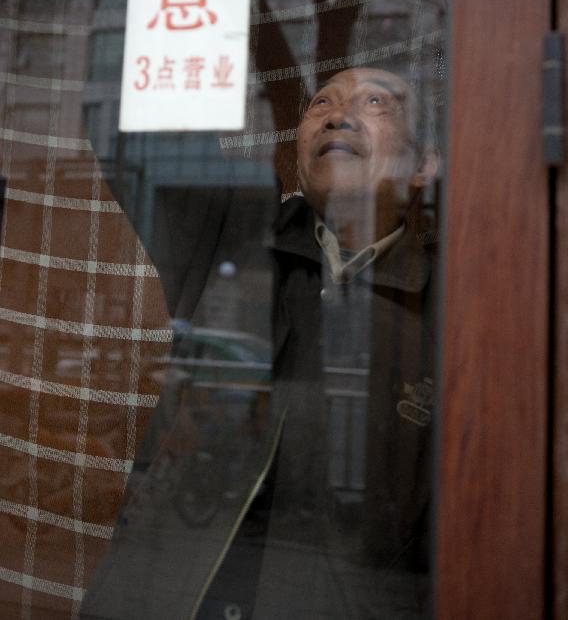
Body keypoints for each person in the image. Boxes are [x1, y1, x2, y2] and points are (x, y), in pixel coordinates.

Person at [80, 65, 439, 620]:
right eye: (321, 104)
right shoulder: (237, 230)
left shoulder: (457, 305)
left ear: (424, 165)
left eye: (375, 103)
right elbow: (140, 132)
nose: (338, 115)